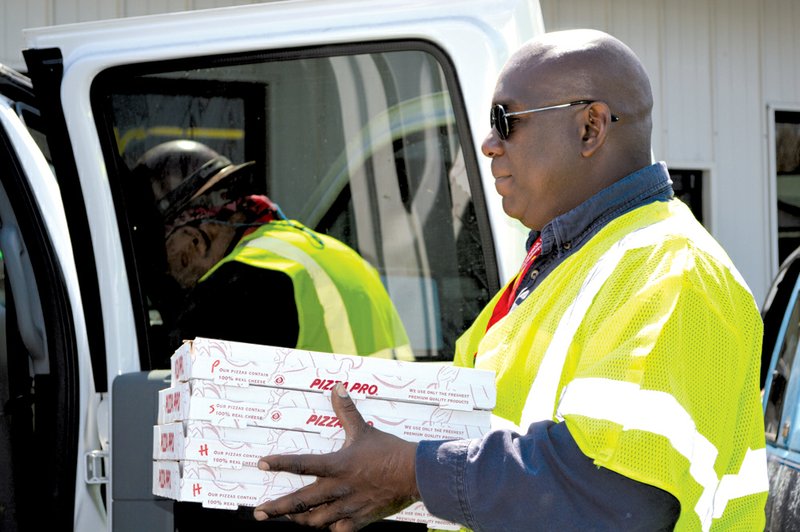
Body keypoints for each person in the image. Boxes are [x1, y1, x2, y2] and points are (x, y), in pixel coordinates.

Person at [251, 29, 769, 531]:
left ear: (590, 127)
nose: (488, 145)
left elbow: (615, 496)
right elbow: (468, 443)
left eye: (506, 120)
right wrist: (362, 475)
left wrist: (408, 471)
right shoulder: (554, 271)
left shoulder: (671, 269)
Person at [133, 139, 414, 361]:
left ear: (195, 237)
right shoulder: (336, 253)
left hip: (319, 433)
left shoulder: (236, 286)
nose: (164, 270)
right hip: (387, 431)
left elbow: (182, 384)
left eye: (161, 251)